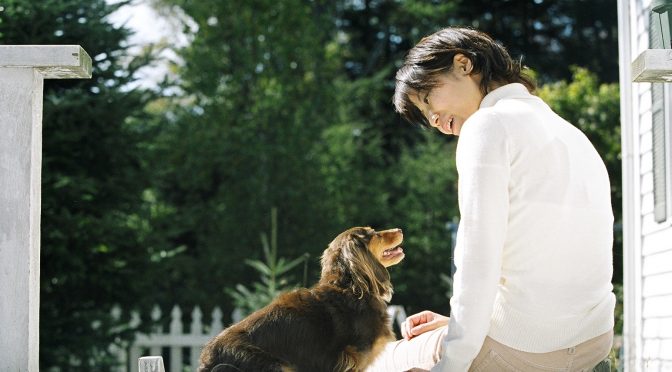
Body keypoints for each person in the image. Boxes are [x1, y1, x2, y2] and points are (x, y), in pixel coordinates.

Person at [366, 27, 616, 372]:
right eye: (426, 119)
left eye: (428, 100)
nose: (435, 121)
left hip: (526, 348)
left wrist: (452, 361)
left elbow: (477, 260)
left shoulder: (487, 126)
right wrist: (462, 325)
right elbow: (545, 258)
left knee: (376, 361)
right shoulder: (572, 134)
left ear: (463, 64)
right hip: (591, 341)